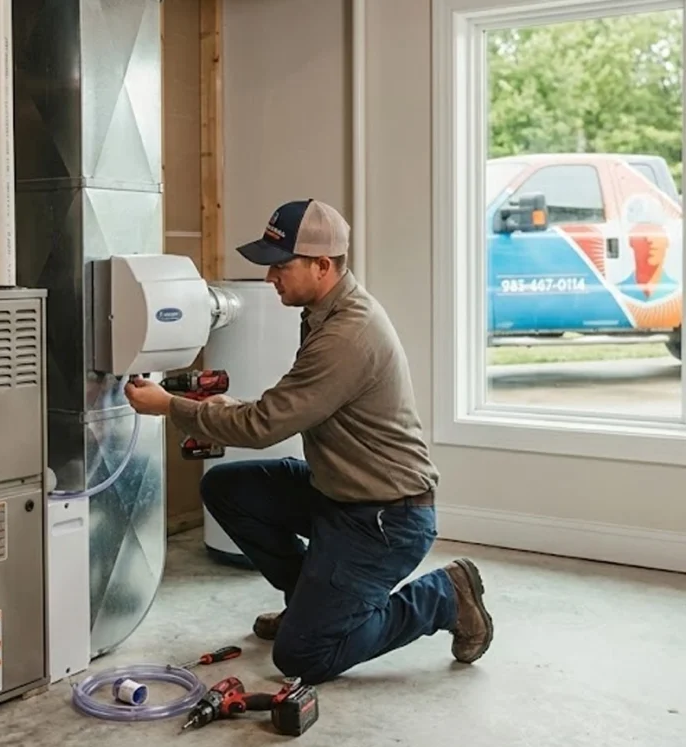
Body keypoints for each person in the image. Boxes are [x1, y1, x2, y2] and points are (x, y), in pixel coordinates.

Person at [124, 198, 493, 685]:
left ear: (322, 265)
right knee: (227, 489)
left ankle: (443, 596)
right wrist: (220, 408)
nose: (269, 277)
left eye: (280, 266)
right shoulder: (320, 310)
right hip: (335, 494)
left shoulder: (348, 333)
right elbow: (291, 404)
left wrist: (172, 407)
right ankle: (310, 604)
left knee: (304, 657)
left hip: (384, 518)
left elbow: (264, 427)